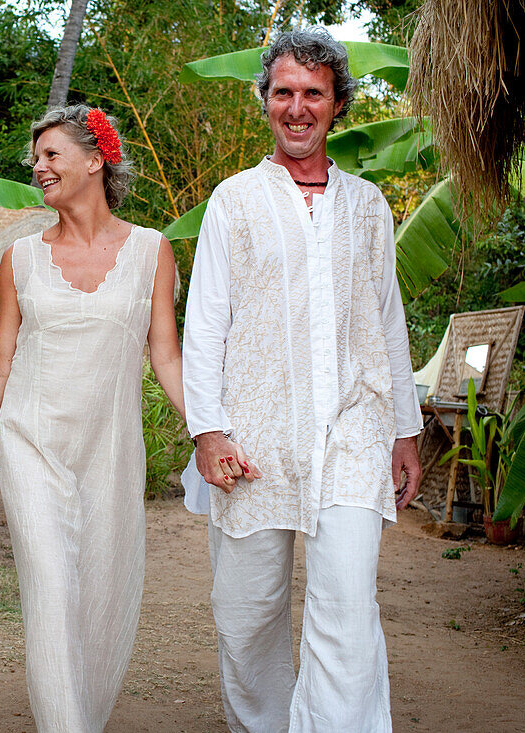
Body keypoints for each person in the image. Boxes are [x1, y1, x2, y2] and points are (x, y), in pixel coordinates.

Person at [180, 28, 423, 732]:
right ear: (264, 101)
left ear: (337, 104)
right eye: (283, 92)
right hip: (254, 435)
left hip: (353, 428)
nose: (297, 106)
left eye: (312, 93)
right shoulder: (234, 202)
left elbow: (387, 323)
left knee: (347, 606)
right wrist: (209, 428)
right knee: (249, 611)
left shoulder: (368, 207)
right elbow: (205, 326)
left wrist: (404, 430)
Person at [0, 105, 184, 733]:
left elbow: (166, 354)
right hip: (30, 446)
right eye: (35, 158)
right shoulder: (20, 259)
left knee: (100, 593)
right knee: (49, 588)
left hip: (111, 453)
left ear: (96, 159)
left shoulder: (153, 252)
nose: (38, 168)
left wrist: (211, 432)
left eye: (51, 155)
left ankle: (82, 717)